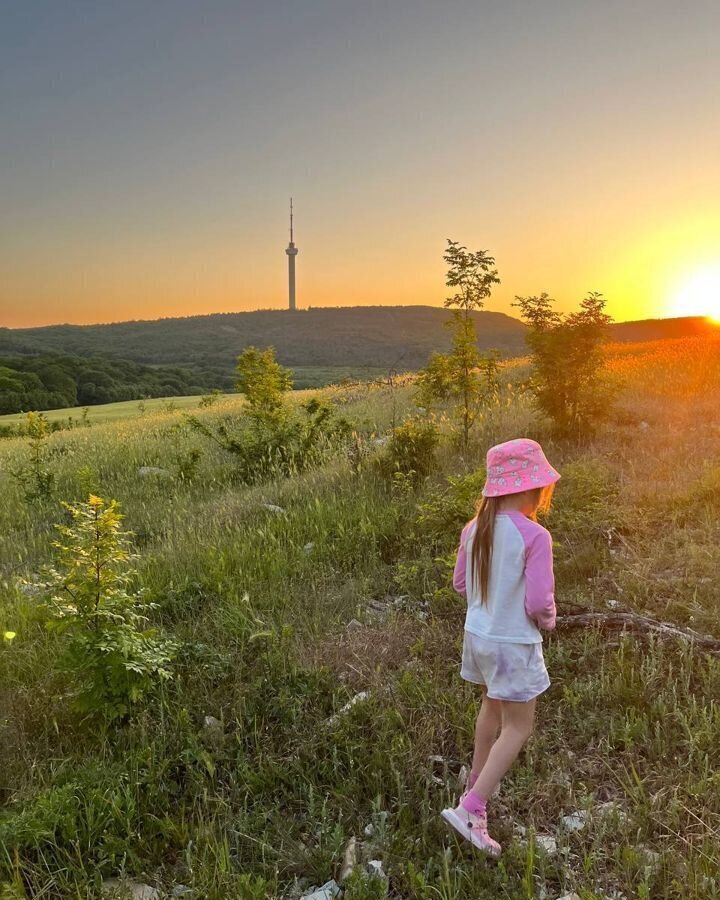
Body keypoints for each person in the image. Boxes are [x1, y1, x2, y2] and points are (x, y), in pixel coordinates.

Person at [440, 438, 560, 856]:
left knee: (491, 707)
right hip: (512, 643)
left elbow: (460, 584)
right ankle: (472, 809)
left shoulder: (474, 529)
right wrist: (548, 619)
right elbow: (538, 602)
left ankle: (476, 781)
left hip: (479, 637)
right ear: (531, 489)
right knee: (519, 726)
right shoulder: (535, 535)